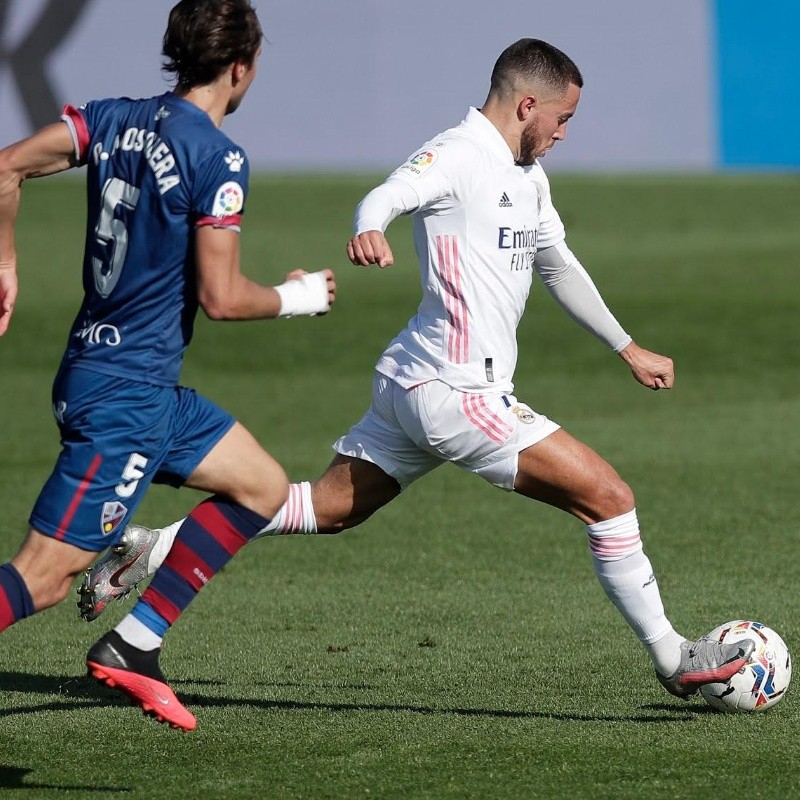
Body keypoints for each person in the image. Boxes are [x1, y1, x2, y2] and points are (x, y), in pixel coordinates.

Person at [82, 38, 752, 705]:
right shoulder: (458, 153)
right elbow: (388, 195)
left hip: (413, 382)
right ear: (527, 105)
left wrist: (626, 346)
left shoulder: (528, 176)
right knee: (609, 498)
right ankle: (672, 656)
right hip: (456, 391)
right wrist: (370, 227)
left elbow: (558, 265)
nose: (565, 133)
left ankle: (156, 548)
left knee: (328, 507)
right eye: (563, 119)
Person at [0, 0, 336, 732]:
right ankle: (126, 642)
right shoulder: (217, 156)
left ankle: (135, 642)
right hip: (125, 401)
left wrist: (6, 263)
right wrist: (296, 296)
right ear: (242, 67)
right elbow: (221, 298)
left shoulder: (113, 117)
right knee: (43, 578)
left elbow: (6, 168)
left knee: (262, 486)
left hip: (122, 380)